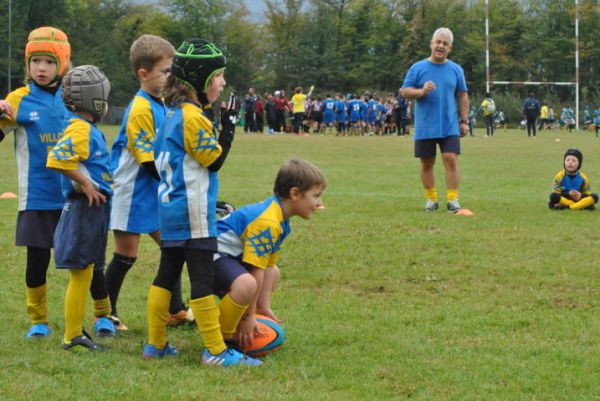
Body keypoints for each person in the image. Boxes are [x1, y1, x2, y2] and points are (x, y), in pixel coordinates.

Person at [143, 38, 261, 366]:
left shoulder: (171, 112)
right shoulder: (192, 117)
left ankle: (155, 344)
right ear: (201, 80)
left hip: (171, 208)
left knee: (166, 275)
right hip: (192, 211)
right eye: (219, 76)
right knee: (202, 279)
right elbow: (213, 160)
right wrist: (230, 125)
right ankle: (215, 351)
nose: (223, 83)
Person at [106, 34, 192, 331]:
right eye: (166, 71)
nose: (171, 77)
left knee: (174, 247)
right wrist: (178, 183)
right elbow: (147, 161)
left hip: (155, 191)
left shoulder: (162, 103)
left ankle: (175, 310)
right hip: (131, 191)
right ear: (143, 74)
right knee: (125, 255)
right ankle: (106, 314)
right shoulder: (141, 107)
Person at [0, 27, 71, 338]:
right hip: (37, 197)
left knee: (86, 260)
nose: (41, 68)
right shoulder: (18, 99)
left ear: (62, 64)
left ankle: (102, 315)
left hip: (74, 196)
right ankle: (39, 320)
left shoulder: (74, 96)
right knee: (37, 259)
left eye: (49, 62)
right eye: (36, 61)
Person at [214, 159, 326, 348]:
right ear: (295, 194)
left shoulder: (281, 220)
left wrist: (263, 309)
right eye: (316, 196)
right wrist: (248, 317)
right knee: (246, 284)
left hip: (228, 259)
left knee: (273, 272)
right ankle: (222, 341)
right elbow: (256, 270)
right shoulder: (268, 222)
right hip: (207, 257)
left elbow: (266, 267)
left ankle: (245, 317)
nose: (319, 203)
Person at [46, 65, 114, 351]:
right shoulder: (80, 129)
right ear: (95, 100)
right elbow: (57, 159)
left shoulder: (83, 127)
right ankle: (72, 336)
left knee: (86, 269)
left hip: (93, 209)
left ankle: (76, 331)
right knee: (81, 272)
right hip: (85, 207)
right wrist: (85, 183)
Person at [400, 27, 469, 213]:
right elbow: (404, 91)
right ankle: (431, 200)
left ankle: (453, 200)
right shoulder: (417, 68)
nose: (440, 46)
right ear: (431, 43)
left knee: (450, 159)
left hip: (449, 124)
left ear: (450, 48)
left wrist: (464, 121)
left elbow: (462, 95)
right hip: (425, 126)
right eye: (438, 42)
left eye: (445, 44)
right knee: (427, 162)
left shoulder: (456, 70)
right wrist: (421, 91)